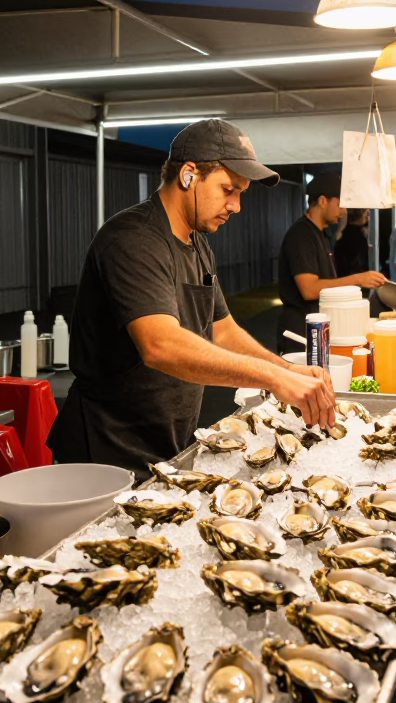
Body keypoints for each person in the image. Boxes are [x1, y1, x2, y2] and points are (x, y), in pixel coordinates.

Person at [48, 120, 336, 479]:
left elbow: (223, 331)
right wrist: (272, 378)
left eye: (240, 193)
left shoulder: (198, 245)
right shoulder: (133, 240)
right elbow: (161, 345)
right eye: (228, 189)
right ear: (188, 175)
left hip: (166, 443)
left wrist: (287, 370)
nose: (236, 206)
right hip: (108, 451)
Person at [277, 173, 385, 345]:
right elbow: (309, 289)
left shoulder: (321, 234)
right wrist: (357, 280)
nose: (344, 211)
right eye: (340, 204)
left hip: (317, 329)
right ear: (322, 201)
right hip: (300, 334)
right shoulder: (301, 236)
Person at [335, 208, 370, 277]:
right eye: (367, 214)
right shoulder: (359, 236)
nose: (368, 218)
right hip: (357, 276)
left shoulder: (344, 233)